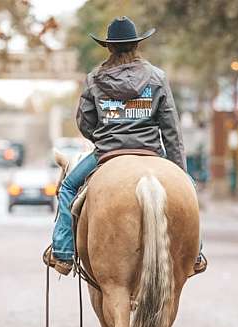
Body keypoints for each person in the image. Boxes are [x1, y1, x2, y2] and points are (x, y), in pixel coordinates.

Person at [43, 16, 207, 276]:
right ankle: (195, 253)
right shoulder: (157, 77)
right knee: (187, 188)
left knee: (67, 188)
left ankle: (63, 253)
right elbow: (171, 130)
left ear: (109, 47)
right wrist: (179, 169)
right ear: (136, 46)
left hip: (107, 153)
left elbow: (84, 122)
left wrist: (106, 136)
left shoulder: (94, 79)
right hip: (152, 151)